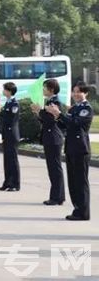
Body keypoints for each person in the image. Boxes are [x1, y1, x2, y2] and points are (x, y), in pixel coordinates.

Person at [51, 82, 93, 220]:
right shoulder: (74, 108)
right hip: (71, 147)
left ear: (85, 93)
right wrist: (56, 116)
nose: (75, 94)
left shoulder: (86, 108)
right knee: (73, 181)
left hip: (80, 148)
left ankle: (83, 212)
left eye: (78, 92)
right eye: (74, 91)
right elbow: (65, 125)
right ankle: (77, 209)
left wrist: (60, 114)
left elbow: (76, 123)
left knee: (81, 182)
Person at [32, 79, 65, 206]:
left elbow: (51, 120)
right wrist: (38, 113)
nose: (43, 90)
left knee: (55, 168)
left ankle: (56, 197)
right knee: (53, 168)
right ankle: (57, 196)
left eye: (45, 88)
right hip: (49, 137)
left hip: (53, 138)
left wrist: (40, 110)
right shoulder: (50, 101)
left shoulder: (54, 102)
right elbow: (45, 120)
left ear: (51, 89)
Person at [0, 82, 21, 192]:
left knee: (13, 160)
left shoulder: (14, 104)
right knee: (7, 160)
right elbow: (4, 117)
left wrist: (0, 112)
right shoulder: (8, 103)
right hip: (6, 134)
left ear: (9, 91)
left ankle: (15, 184)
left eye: (4, 89)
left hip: (12, 134)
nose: (3, 91)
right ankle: (7, 182)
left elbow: (11, 119)